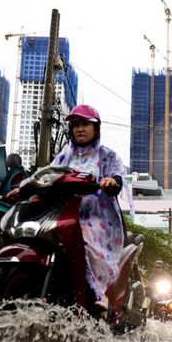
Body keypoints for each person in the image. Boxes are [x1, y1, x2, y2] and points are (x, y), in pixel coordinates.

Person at [49, 104, 131, 312]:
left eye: (85, 124)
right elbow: (46, 175)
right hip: (63, 214)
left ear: (96, 129)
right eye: (75, 125)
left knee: (83, 233)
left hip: (98, 219)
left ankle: (99, 292)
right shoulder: (63, 157)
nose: (79, 129)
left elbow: (118, 175)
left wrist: (112, 181)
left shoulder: (108, 156)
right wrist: (23, 187)